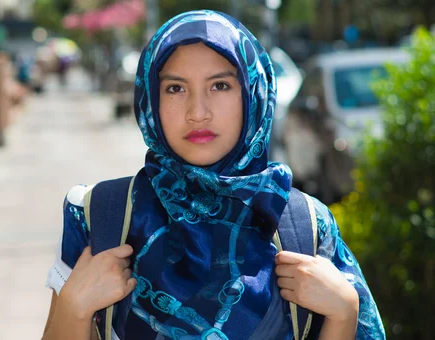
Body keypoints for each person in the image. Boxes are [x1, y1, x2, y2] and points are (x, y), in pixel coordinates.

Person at [43, 10, 385, 340]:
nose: (198, 112)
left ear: (253, 93)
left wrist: (344, 314)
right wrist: (74, 309)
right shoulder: (99, 216)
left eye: (220, 86)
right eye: (175, 88)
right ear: (150, 99)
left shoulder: (304, 225)